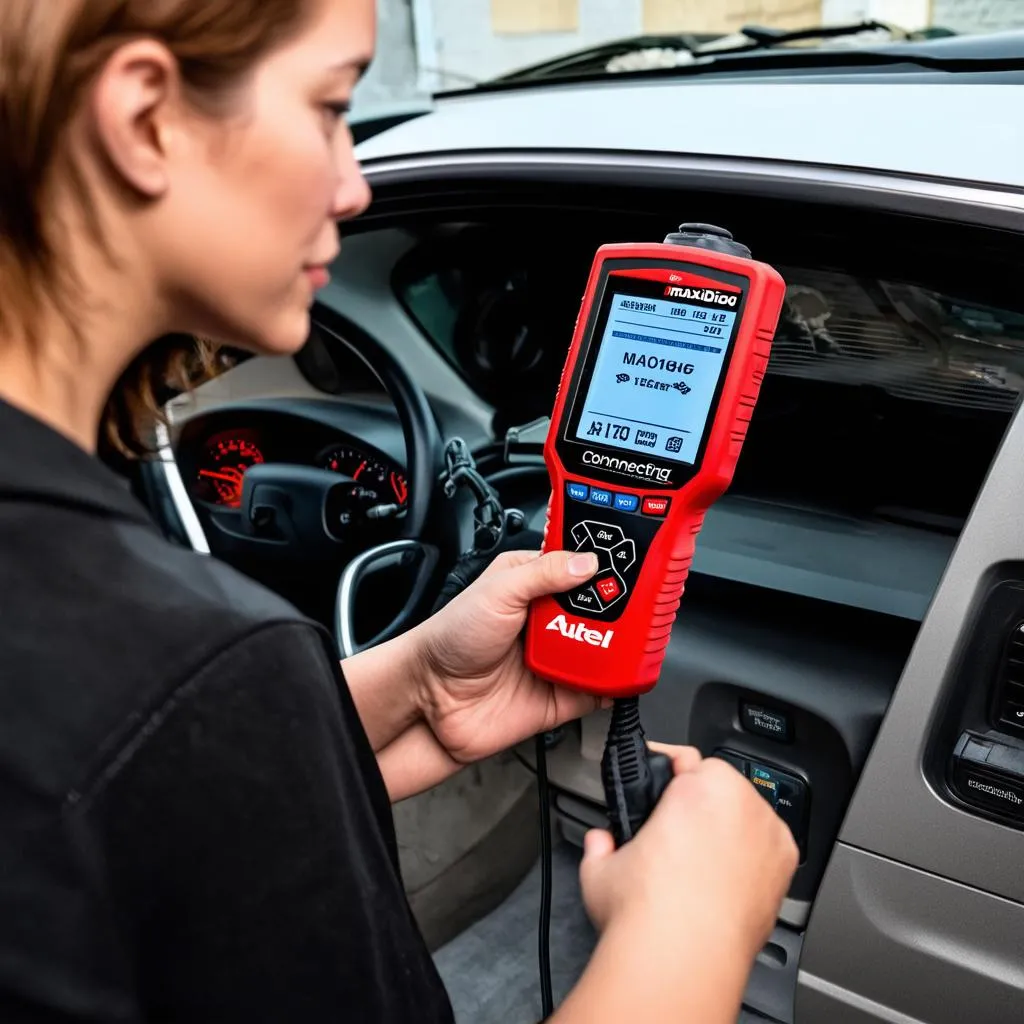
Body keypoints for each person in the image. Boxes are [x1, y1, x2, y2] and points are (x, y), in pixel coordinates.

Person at [0, 1, 798, 1021]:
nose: (356, 182)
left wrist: (391, 687)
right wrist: (694, 924)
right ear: (146, 115)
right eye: (333, 105)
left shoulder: (136, 659)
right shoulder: (193, 665)